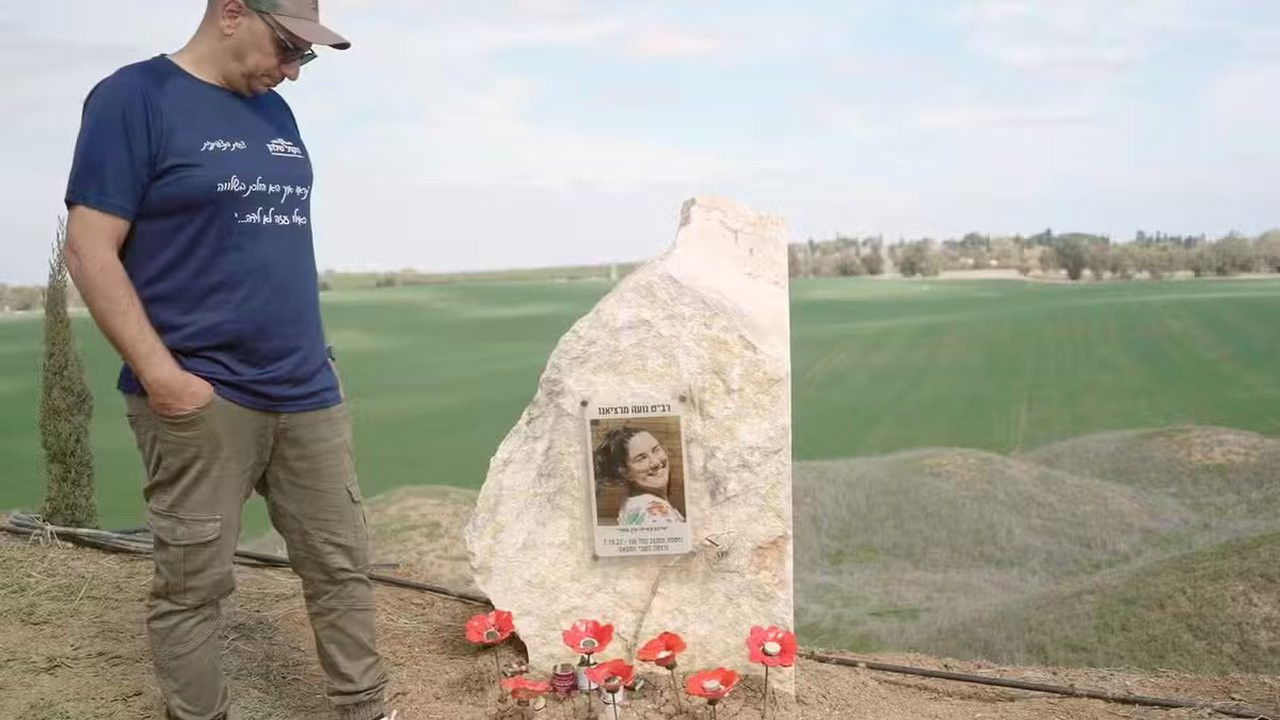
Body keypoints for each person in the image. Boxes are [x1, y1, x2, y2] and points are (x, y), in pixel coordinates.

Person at [62, 2, 394, 719]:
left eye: (306, 57)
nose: (293, 71)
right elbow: (89, 250)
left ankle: (367, 709)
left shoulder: (274, 111)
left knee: (341, 567)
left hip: (306, 390)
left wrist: (318, 365)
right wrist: (163, 378)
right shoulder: (135, 98)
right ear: (233, 13)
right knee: (193, 587)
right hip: (202, 396)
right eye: (288, 48)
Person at [593, 426, 686, 526]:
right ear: (624, 472)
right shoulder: (657, 516)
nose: (655, 462)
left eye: (656, 450)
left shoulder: (633, 502)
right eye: (641, 458)